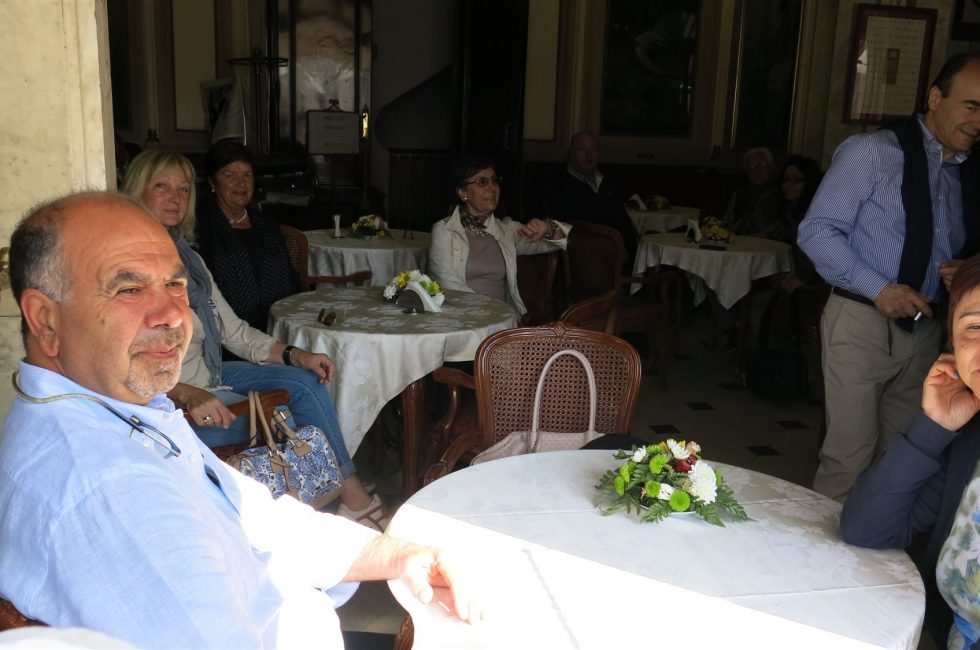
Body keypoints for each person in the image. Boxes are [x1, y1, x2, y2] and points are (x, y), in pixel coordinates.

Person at [0, 192, 483, 648]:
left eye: (175, 284)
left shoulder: (117, 411)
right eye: (128, 289)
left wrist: (399, 555)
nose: (173, 314)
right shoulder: (111, 488)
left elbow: (257, 515)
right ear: (45, 319)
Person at [121, 151, 384, 530]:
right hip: (168, 403)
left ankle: (339, 492)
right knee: (289, 413)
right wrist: (184, 392)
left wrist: (295, 355)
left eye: (183, 188)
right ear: (137, 191)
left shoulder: (189, 259)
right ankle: (331, 501)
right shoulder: (128, 266)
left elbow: (232, 330)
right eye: (161, 186)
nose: (175, 197)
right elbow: (121, 357)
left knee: (306, 380)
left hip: (208, 373)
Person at [798, 53, 980, 501]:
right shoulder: (873, 152)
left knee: (898, 459)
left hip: (927, 331)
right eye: (972, 106)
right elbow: (816, 231)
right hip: (862, 321)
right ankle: (822, 547)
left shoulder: (966, 172)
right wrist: (879, 288)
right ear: (935, 98)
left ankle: (874, 542)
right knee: (848, 458)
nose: (979, 122)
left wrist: (965, 271)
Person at [840, 253, 980, 648]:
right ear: (953, 346)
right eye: (975, 326)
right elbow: (867, 529)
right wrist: (933, 428)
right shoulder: (968, 445)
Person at [429, 153, 570, 317]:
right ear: (462, 192)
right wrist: (486, 314)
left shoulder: (506, 230)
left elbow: (560, 240)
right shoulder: (444, 231)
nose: (492, 188)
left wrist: (548, 228)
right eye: (482, 182)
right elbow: (448, 285)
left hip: (501, 320)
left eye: (494, 181)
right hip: (460, 319)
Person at [195, 138, 296, 330]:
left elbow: (291, 281)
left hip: (279, 324)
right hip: (225, 331)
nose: (240, 183)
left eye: (247, 175)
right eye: (230, 175)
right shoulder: (201, 228)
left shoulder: (267, 224)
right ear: (212, 182)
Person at [541, 131, 639, 264]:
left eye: (594, 149)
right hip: (584, 262)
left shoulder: (607, 183)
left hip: (625, 260)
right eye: (582, 149)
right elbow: (553, 231)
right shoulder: (558, 186)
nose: (589, 155)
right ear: (572, 154)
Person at [721, 147, 780, 236]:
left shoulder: (780, 193)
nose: (757, 170)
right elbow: (727, 221)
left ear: (771, 167)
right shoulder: (739, 193)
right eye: (752, 167)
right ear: (747, 172)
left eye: (762, 165)